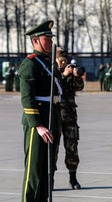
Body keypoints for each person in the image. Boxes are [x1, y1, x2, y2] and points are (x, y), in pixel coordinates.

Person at [19, 20, 62, 202]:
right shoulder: (30, 64)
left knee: (48, 170)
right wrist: (38, 126)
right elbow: (27, 99)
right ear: (35, 40)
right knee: (34, 170)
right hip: (38, 121)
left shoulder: (49, 63)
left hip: (53, 117)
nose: (51, 42)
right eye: (47, 38)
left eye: (51, 38)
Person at [55, 47, 84, 189]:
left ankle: (73, 178)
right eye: (61, 61)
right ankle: (50, 178)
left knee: (72, 148)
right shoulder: (52, 73)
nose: (63, 64)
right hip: (55, 117)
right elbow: (53, 88)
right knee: (52, 149)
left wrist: (76, 75)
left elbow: (79, 87)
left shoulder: (70, 73)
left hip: (70, 118)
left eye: (65, 61)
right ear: (55, 61)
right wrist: (63, 75)